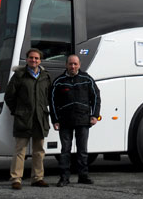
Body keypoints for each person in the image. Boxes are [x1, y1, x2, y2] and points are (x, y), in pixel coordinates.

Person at [4, 48, 52, 190]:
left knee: (39, 150)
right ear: (26, 59)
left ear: (40, 60)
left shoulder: (45, 76)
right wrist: (17, 111)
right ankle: (16, 179)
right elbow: (9, 96)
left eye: (36, 58)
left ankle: (37, 178)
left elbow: (49, 97)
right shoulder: (19, 75)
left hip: (40, 118)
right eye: (31, 58)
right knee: (20, 150)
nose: (33, 60)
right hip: (23, 118)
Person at [51, 54, 101, 187]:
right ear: (66, 65)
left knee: (82, 151)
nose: (73, 66)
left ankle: (83, 176)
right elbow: (53, 103)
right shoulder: (58, 82)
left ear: (79, 65)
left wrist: (94, 115)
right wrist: (55, 120)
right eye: (70, 64)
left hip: (83, 120)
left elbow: (96, 97)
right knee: (65, 151)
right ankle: (64, 178)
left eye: (75, 64)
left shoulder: (87, 79)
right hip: (65, 122)